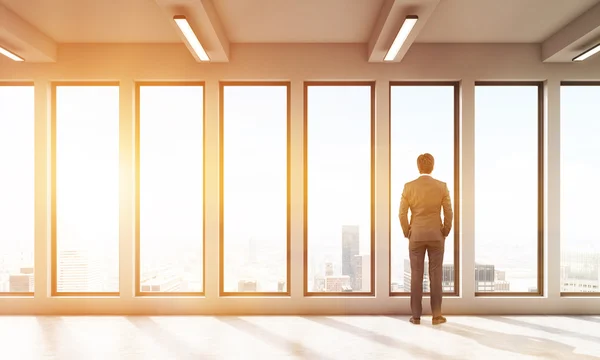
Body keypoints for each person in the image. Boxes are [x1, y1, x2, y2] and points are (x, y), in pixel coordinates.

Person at [399, 153, 453, 325]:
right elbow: (449, 213)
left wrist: (408, 231)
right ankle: (436, 316)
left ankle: (416, 316)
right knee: (436, 275)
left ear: (418, 167)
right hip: (436, 236)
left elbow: (402, 213)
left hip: (416, 236)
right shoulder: (442, 187)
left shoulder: (409, 187)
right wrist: (445, 231)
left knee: (416, 275)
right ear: (433, 167)